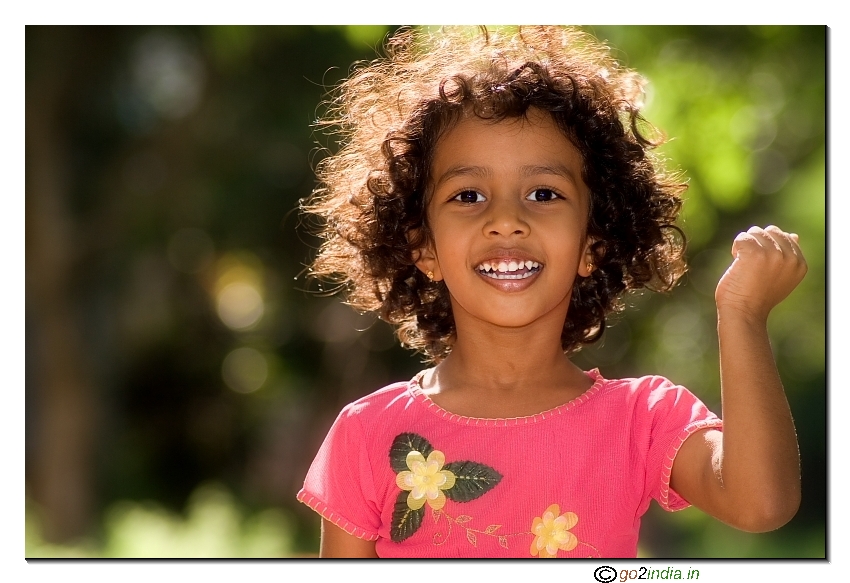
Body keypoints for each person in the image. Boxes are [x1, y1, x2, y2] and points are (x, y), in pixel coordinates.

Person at [296, 26, 807, 558]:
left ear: (592, 243)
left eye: (544, 193)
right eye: (468, 195)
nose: (506, 220)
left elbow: (761, 503)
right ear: (424, 248)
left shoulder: (643, 419)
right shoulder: (369, 432)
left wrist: (743, 315)